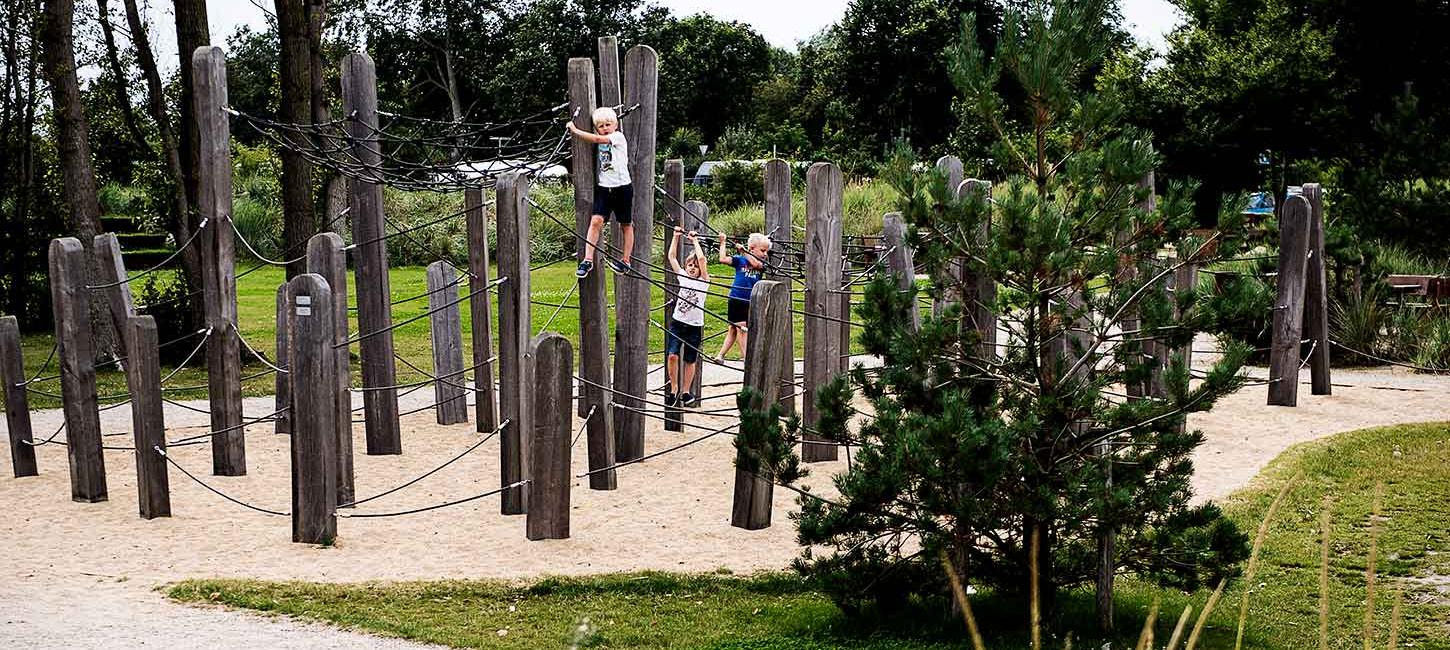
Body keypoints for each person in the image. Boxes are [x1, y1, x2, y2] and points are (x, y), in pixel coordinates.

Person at [567, 106, 633, 278]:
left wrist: (575, 130)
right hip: (605, 187)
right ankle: (587, 259)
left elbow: (596, 140)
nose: (605, 128)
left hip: (622, 187)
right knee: (596, 221)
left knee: (625, 224)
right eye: (601, 126)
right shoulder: (602, 137)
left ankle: (626, 261)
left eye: (608, 124)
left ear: (615, 125)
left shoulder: (617, 137)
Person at [665, 226, 709, 407]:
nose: (692, 268)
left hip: (695, 325)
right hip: (678, 323)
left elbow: (702, 259)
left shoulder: (704, 281)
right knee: (672, 356)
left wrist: (695, 241)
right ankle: (674, 388)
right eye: (690, 265)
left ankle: (685, 391)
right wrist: (676, 237)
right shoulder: (683, 277)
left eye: (695, 266)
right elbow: (671, 257)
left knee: (690, 359)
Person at [715, 231, 771, 362]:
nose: (765, 254)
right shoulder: (739, 260)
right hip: (736, 299)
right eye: (762, 250)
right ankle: (746, 358)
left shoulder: (763, 265)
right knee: (741, 328)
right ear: (752, 248)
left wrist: (744, 252)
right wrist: (722, 242)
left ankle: (720, 355)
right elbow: (722, 259)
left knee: (733, 330)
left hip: (750, 301)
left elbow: (756, 265)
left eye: (766, 251)